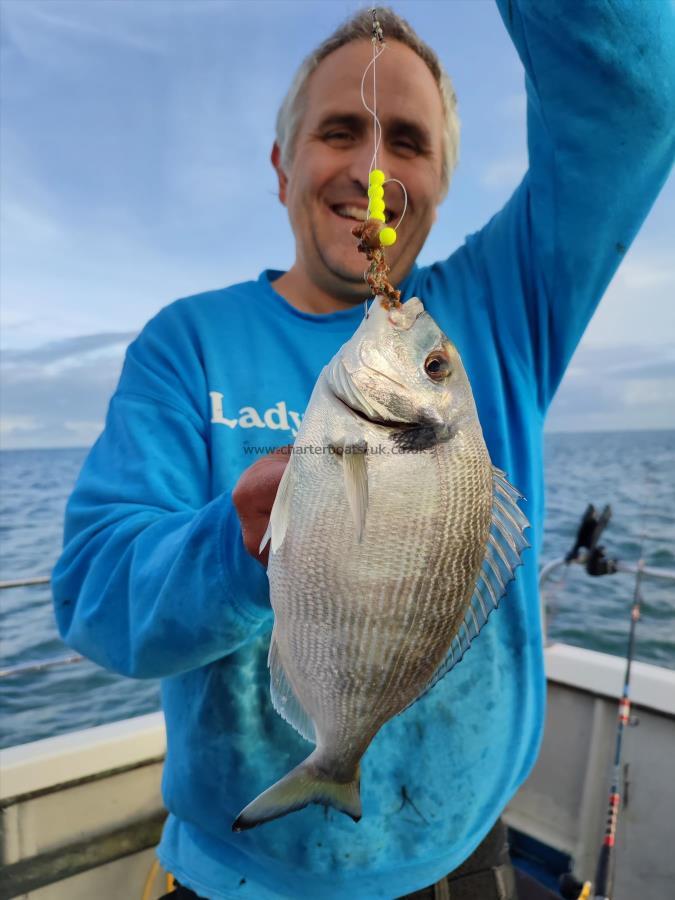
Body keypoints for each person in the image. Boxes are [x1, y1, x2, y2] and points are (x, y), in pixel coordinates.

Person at [52, 4, 674, 899]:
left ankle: (336, 751)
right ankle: (326, 754)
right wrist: (233, 544)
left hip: (463, 852)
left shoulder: (504, 304)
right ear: (282, 165)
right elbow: (94, 598)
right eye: (340, 131)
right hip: (243, 872)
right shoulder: (187, 342)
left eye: (409, 143)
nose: (374, 170)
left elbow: (635, 101)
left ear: (443, 176)